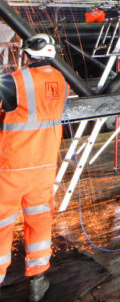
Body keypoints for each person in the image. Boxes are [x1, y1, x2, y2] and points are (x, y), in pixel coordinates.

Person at [0, 33, 69, 301]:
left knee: (2, 222)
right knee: (39, 220)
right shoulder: (62, 81)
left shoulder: (13, 81)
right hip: (44, 165)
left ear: (26, 54)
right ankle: (38, 280)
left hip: (12, 166)